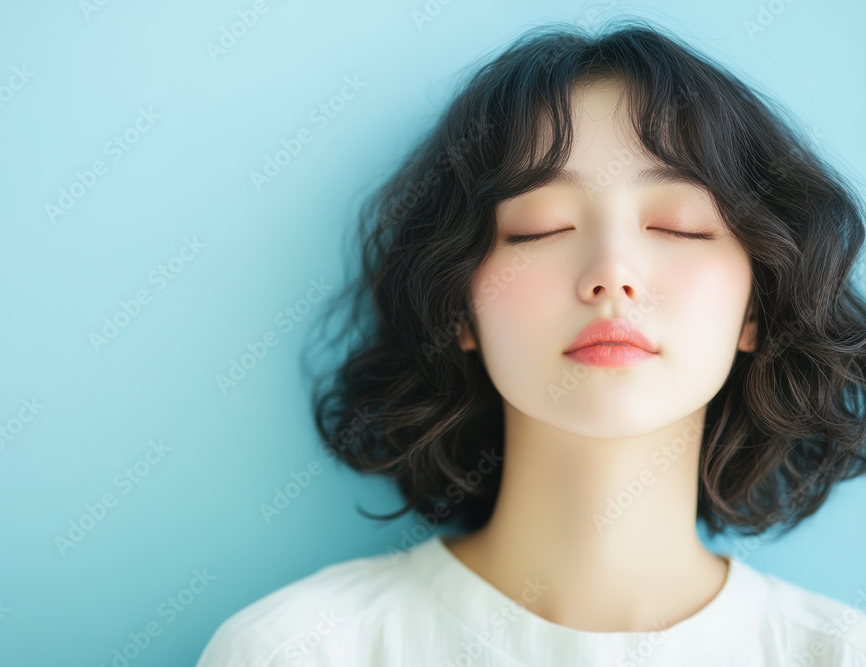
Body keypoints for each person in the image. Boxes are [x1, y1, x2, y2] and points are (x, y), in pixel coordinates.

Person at [196, 17, 866, 666]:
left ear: (757, 308)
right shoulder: (299, 651)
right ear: (456, 304)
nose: (612, 274)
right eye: (539, 228)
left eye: (680, 226)